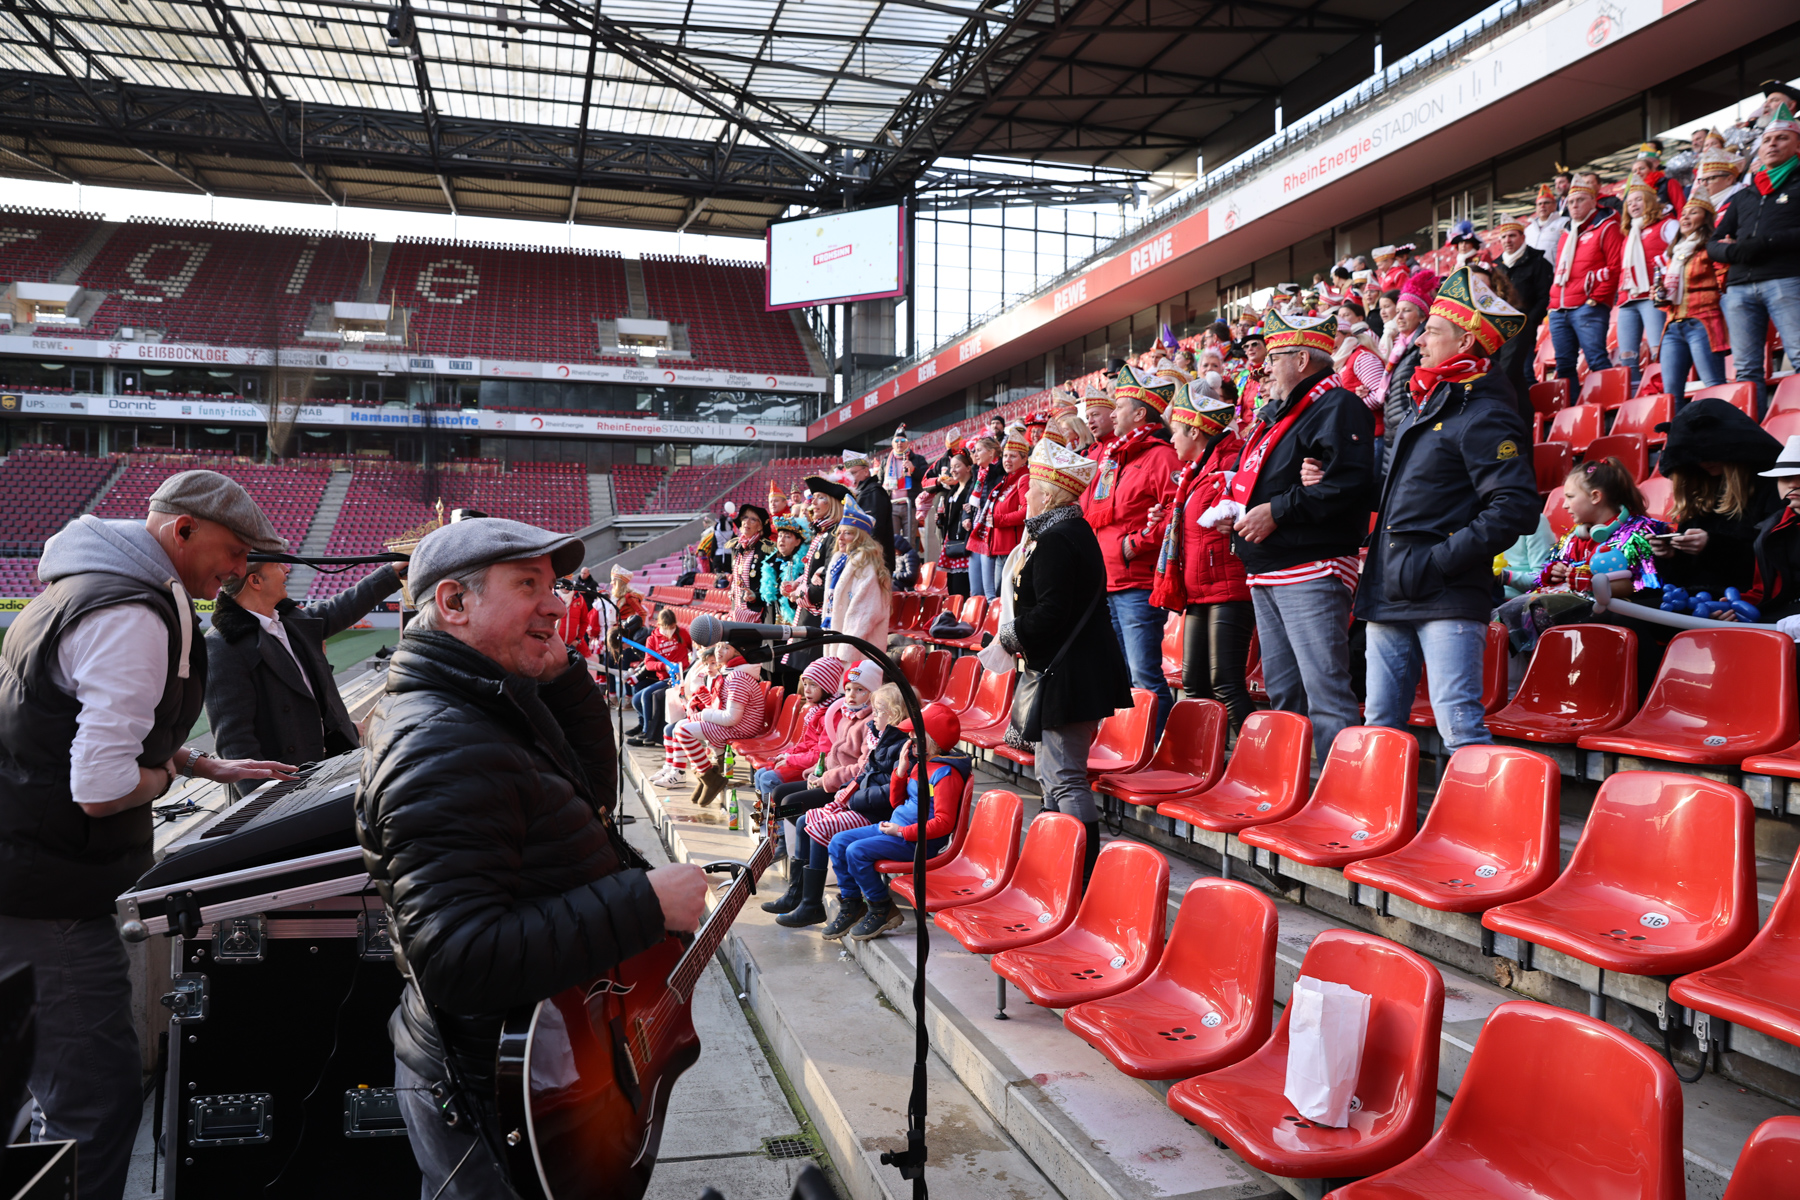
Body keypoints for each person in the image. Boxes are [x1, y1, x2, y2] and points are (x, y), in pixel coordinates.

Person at [353, 518, 708, 1200]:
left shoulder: (489, 700)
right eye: (527, 585)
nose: (556, 604)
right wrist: (643, 903)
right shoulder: (443, 742)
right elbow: (458, 957)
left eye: (554, 586)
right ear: (454, 603)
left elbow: (587, 800)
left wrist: (563, 674)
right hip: (487, 1093)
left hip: (522, 1066)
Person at [0, 471, 300, 1200]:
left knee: (43, 1093)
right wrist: (168, 777)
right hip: (48, 897)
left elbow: (69, 728)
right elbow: (101, 787)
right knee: (94, 1103)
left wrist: (198, 762)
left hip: (32, 878)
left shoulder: (92, 586)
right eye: (234, 551)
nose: (240, 570)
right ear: (182, 530)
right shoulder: (132, 613)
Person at [1356, 264, 1539, 752]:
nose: (1419, 340)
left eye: (1432, 331)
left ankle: (1483, 807)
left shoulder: (1485, 412)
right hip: (1392, 587)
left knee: (1459, 729)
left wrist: (1439, 561)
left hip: (1447, 593)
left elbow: (1516, 506)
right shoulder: (1429, 403)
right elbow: (1403, 497)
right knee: (1379, 728)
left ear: (1465, 342)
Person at [1218, 309, 1376, 766]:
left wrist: (1276, 511)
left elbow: (1349, 485)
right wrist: (1238, 510)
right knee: (1284, 691)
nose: (1264, 368)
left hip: (1311, 567)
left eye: (1274, 358)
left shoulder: (1338, 404)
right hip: (1269, 567)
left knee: (1324, 691)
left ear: (1302, 360)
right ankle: (1291, 786)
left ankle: (1339, 791)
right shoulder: (1280, 413)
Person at [991, 439, 1132, 888]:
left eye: (1032, 488)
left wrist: (1009, 636)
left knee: (1064, 777)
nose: (1025, 494)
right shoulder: (1068, 532)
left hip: (1071, 675)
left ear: (1049, 495)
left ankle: (1080, 875)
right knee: (1054, 774)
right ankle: (1062, 864)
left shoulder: (1056, 539)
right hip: (1073, 671)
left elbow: (1052, 612)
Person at [205, 556, 402, 773]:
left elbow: (343, 607)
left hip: (333, 761)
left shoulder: (289, 620)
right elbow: (236, 744)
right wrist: (269, 793)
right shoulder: (222, 645)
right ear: (255, 581)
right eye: (277, 565)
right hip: (290, 782)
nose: (286, 569)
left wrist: (392, 573)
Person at [1147, 385, 1255, 734]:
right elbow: (1195, 523)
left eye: (1176, 431)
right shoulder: (1196, 471)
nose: (1171, 439)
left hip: (1228, 589)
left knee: (1226, 683)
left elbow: (1244, 510)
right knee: (1194, 683)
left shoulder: (1233, 461)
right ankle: (1205, 758)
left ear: (1194, 431)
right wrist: (1165, 518)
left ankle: (1257, 757)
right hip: (1198, 591)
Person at [818, 703, 971, 941]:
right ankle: (852, 903)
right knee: (838, 842)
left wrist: (902, 831)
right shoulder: (921, 764)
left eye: (915, 734)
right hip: (895, 830)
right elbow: (896, 802)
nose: (909, 738)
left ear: (931, 739)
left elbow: (944, 823)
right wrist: (900, 773)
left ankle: (881, 907)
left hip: (918, 841)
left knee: (856, 851)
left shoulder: (946, 774)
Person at [1083, 364, 1180, 734]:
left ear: (1140, 414)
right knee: (1121, 675)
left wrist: (1134, 545)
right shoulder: (1114, 457)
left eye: (1119, 407)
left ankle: (1161, 749)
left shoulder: (1160, 455)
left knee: (1144, 675)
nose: (1112, 414)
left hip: (1137, 583)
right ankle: (1130, 747)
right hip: (1108, 582)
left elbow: (1175, 513)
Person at [1496, 459, 1669, 654]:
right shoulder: (1574, 537)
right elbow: (1545, 576)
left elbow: (1644, 586)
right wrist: (1553, 573)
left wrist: (1589, 583)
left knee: (1539, 612)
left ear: (1595, 497)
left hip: (1619, 609)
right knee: (1507, 614)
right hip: (1585, 604)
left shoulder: (1639, 531)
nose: (1564, 505)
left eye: (1570, 497)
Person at [776, 677, 906, 929]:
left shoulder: (875, 731)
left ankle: (811, 891)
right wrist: (815, 771)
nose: (851, 695)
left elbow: (862, 770)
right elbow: (823, 751)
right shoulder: (845, 717)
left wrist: (829, 781)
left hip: (843, 790)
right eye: (847, 689)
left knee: (793, 805)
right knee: (782, 798)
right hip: (841, 787)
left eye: (860, 690)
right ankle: (793, 878)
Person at [1709, 104, 1800, 419]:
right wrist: (1732, 253)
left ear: (1797, 146)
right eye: (1767, 140)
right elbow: (1713, 242)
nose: (1772, 144)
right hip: (1739, 288)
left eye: (1781, 138)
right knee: (1746, 370)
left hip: (1786, 279)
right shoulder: (1744, 195)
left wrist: (1763, 243)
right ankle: (1753, 439)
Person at [662, 656, 770, 808]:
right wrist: (702, 696)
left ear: (736, 653)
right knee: (680, 726)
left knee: (683, 731)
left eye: (725, 648)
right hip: (736, 724)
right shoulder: (727, 674)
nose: (719, 651)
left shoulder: (738, 677)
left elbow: (731, 718)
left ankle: (709, 778)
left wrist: (701, 715)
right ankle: (706, 775)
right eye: (719, 647)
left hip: (742, 727)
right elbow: (718, 706)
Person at [1548, 173, 1625, 384]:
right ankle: (1571, 407)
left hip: (1588, 306)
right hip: (1559, 309)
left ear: (1593, 201)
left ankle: (1611, 404)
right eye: (1571, 202)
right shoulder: (1565, 233)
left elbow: (1615, 267)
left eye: (1580, 200)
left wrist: (1595, 299)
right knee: (1564, 366)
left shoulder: (1607, 227)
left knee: (1596, 359)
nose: (1574, 205)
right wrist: (1552, 305)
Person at [1657, 195, 1731, 407]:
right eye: (1683, 214)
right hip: (1672, 326)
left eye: (1693, 212)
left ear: (1705, 219)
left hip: (1702, 322)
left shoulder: (1711, 248)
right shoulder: (1674, 254)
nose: (1686, 217)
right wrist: (1660, 292)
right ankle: (1678, 430)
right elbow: (1669, 297)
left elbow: (1725, 281)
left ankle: (1725, 427)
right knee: (1671, 396)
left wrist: (1728, 252)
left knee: (1714, 386)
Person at [1616, 183, 1678, 396]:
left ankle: (1665, 393)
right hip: (1627, 299)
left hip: (1652, 296)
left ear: (1650, 202)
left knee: (1657, 350)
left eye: (1638, 200)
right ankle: (1635, 398)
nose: (1633, 205)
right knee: (1627, 356)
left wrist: (1662, 267)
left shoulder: (1668, 225)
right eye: (1629, 202)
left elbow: (1678, 254)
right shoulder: (1628, 234)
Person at [751, 656, 845, 798]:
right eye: (805, 684)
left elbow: (821, 755)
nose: (807, 690)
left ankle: (775, 813)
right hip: (807, 761)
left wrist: (789, 760)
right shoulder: (817, 710)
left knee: (768, 779)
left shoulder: (832, 715)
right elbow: (807, 744)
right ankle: (764, 811)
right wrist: (787, 753)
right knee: (759, 774)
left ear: (828, 687)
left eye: (813, 685)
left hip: (817, 768)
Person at [1492, 214, 1553, 423]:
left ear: (1522, 237)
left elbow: (1544, 297)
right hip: (1499, 332)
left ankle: (1531, 415)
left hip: (1523, 329)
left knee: (1524, 370)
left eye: (1512, 236)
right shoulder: (1496, 266)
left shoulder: (1538, 262)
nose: (1507, 240)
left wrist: (1528, 322)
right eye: (1503, 237)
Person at [823, 501, 893, 662]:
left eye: (847, 533)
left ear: (860, 537)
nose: (840, 538)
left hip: (856, 654)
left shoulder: (866, 566)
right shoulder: (839, 563)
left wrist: (844, 654)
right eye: (839, 533)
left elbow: (864, 614)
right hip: (840, 647)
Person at [1380, 270, 1439, 461]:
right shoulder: (1400, 347)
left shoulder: (1422, 349)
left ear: (1422, 316)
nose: (1399, 316)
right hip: (1394, 432)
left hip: (1408, 433)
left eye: (1406, 310)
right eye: (1397, 311)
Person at [969, 426, 1030, 600]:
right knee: (998, 598)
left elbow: (1027, 512)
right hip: (1000, 549)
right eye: (1005, 456)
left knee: (1005, 599)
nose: (1007, 460)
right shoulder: (1007, 479)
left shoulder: (1024, 479)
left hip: (1013, 550)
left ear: (1024, 459)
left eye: (1013, 456)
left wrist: (999, 520)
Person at [1746, 435, 1800, 625]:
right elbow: (1762, 591)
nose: (1793, 484)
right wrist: (1735, 606)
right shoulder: (1770, 529)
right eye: (1786, 477)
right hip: (1780, 616)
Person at [627, 607, 691, 747]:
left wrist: (688, 663)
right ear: (660, 625)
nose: (670, 631)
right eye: (667, 628)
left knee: (647, 695)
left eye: (672, 627)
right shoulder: (652, 639)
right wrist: (664, 666)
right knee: (637, 700)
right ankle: (648, 727)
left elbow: (694, 648)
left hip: (678, 678)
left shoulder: (682, 633)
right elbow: (649, 664)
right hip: (664, 677)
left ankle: (647, 732)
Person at [841, 449, 897, 570]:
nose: (849, 478)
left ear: (866, 471)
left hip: (874, 563)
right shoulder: (863, 491)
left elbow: (873, 530)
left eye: (853, 473)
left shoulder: (873, 492)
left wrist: (862, 556)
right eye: (848, 475)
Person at [934, 449, 977, 596]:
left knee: (961, 587)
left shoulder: (973, 488)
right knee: (952, 588)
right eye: (951, 467)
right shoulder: (954, 490)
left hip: (965, 542)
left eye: (957, 466)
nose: (953, 470)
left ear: (969, 468)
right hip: (952, 542)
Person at [726, 503, 775, 620]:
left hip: (758, 612)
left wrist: (755, 597)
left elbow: (771, 585)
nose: (747, 522)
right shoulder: (737, 546)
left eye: (753, 519)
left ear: (760, 526)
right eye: (745, 518)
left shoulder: (767, 548)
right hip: (737, 608)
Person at [760, 513, 809, 622]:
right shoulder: (769, 563)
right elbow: (767, 597)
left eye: (787, 536)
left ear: (798, 541)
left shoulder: (804, 565)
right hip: (771, 625)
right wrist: (754, 596)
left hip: (794, 623)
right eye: (780, 536)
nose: (781, 540)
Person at [1524, 183, 1568, 255]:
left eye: (1546, 203)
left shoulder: (1565, 222)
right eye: (1539, 204)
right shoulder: (1528, 229)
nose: (1542, 206)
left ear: (1555, 205)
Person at [1083, 384, 1117, 459]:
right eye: (1087, 418)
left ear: (1112, 415)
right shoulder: (1090, 453)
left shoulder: (1124, 446)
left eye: (1095, 414)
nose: (1090, 421)